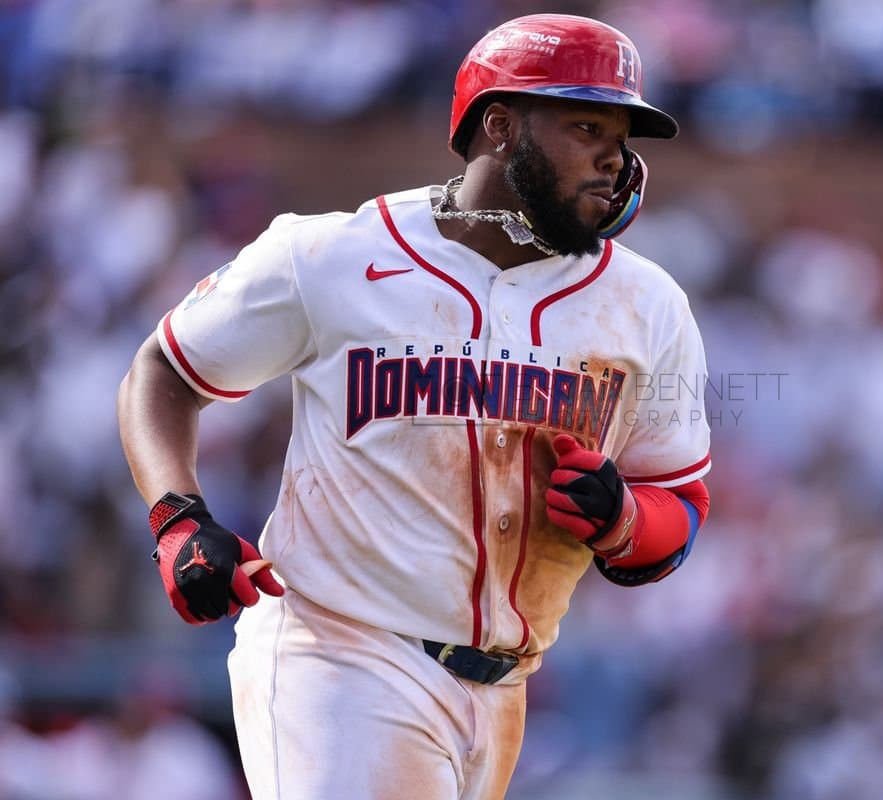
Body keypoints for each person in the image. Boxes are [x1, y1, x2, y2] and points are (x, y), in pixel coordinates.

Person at [117, 13, 711, 799]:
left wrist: (620, 519)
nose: (615, 155)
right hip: (337, 656)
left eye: (624, 132)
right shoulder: (334, 256)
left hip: (502, 690)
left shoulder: (646, 305)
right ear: (500, 126)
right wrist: (178, 516)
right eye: (585, 124)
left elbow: (680, 505)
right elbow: (165, 370)